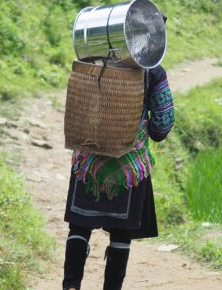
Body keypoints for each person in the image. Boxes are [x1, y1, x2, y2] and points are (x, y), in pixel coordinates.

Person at [62, 63, 175, 290]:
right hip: (128, 167)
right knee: (121, 236)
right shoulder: (151, 71)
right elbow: (162, 124)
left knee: (79, 228)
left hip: (88, 162)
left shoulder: (91, 59)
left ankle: (71, 285)